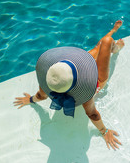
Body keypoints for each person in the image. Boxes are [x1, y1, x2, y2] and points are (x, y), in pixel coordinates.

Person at [14, 20, 124, 150]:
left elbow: (40, 96)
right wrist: (105, 132)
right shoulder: (86, 91)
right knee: (106, 42)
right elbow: (92, 114)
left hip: (74, 77)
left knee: (97, 47)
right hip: (97, 80)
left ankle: (112, 33)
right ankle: (116, 47)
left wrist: (31, 100)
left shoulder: (50, 81)